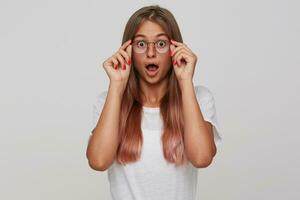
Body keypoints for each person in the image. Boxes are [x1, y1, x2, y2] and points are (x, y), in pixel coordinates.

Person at [86, 5, 222, 200]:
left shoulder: (198, 98)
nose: (151, 53)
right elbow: (98, 161)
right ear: (128, 51)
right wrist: (116, 86)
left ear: (174, 49)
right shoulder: (108, 102)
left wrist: (185, 82)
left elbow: (201, 158)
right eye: (141, 44)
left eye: (160, 44)